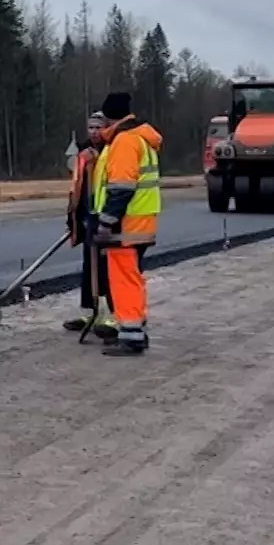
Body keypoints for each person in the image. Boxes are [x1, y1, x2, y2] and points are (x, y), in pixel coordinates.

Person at [88, 91, 163, 356]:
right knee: (133, 277)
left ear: (110, 117)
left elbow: (121, 188)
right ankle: (135, 328)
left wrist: (106, 222)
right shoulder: (141, 139)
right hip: (141, 221)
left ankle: (131, 336)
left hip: (126, 225)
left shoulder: (125, 142)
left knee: (124, 279)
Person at [63, 111, 119, 340]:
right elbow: (76, 187)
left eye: (99, 127)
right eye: (91, 128)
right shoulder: (83, 154)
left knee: (107, 269)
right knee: (89, 267)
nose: (95, 132)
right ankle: (88, 312)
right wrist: (73, 218)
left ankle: (111, 315)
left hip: (107, 219)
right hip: (86, 217)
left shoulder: (113, 152)